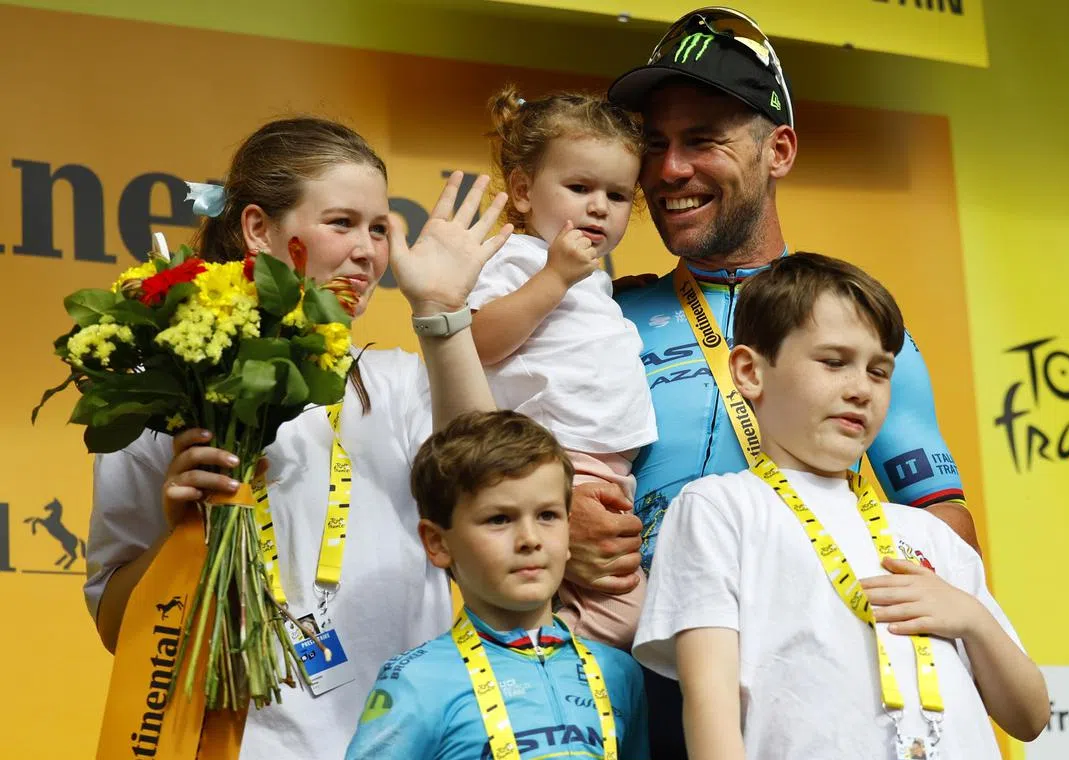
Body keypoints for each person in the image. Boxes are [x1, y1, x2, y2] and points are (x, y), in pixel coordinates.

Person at [590, 10, 982, 754]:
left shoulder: (853, 324)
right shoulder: (604, 317)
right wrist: (565, 514)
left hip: (810, 692)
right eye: (655, 144)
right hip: (637, 688)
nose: (669, 170)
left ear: (780, 150)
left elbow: (945, 527)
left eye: (703, 139)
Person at [83, 116, 512, 759]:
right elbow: (120, 628)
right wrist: (181, 541)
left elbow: (494, 490)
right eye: (341, 223)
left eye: (379, 228)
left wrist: (442, 313)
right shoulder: (167, 390)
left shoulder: (398, 385)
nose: (368, 251)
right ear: (258, 229)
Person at [633, 252, 1050, 759]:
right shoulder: (719, 509)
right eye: (833, 362)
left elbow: (1030, 716)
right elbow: (708, 705)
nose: (859, 390)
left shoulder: (927, 534)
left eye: (879, 371)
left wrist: (972, 619)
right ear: (749, 372)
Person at [346, 410, 649, 759]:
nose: (529, 539)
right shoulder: (416, 680)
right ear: (438, 542)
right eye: (499, 519)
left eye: (548, 515)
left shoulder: (618, 672)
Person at [468, 86, 657, 646]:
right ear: (523, 191)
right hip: (557, 459)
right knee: (620, 615)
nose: (599, 206)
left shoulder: (594, 278)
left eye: (618, 195)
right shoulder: (514, 258)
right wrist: (552, 279)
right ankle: (544, 671)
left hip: (611, 470)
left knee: (612, 608)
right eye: (579, 188)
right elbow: (476, 341)